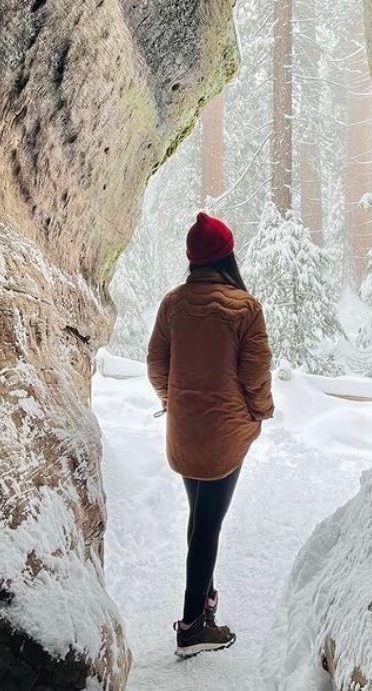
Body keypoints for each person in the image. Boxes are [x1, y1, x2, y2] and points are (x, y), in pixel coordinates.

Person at [146, 211, 275, 659]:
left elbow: (157, 365)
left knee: (200, 517)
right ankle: (193, 625)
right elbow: (255, 375)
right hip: (225, 436)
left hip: (185, 432)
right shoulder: (245, 308)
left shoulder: (172, 303)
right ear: (227, 255)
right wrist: (260, 413)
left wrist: (174, 400)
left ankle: (206, 600)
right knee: (207, 524)